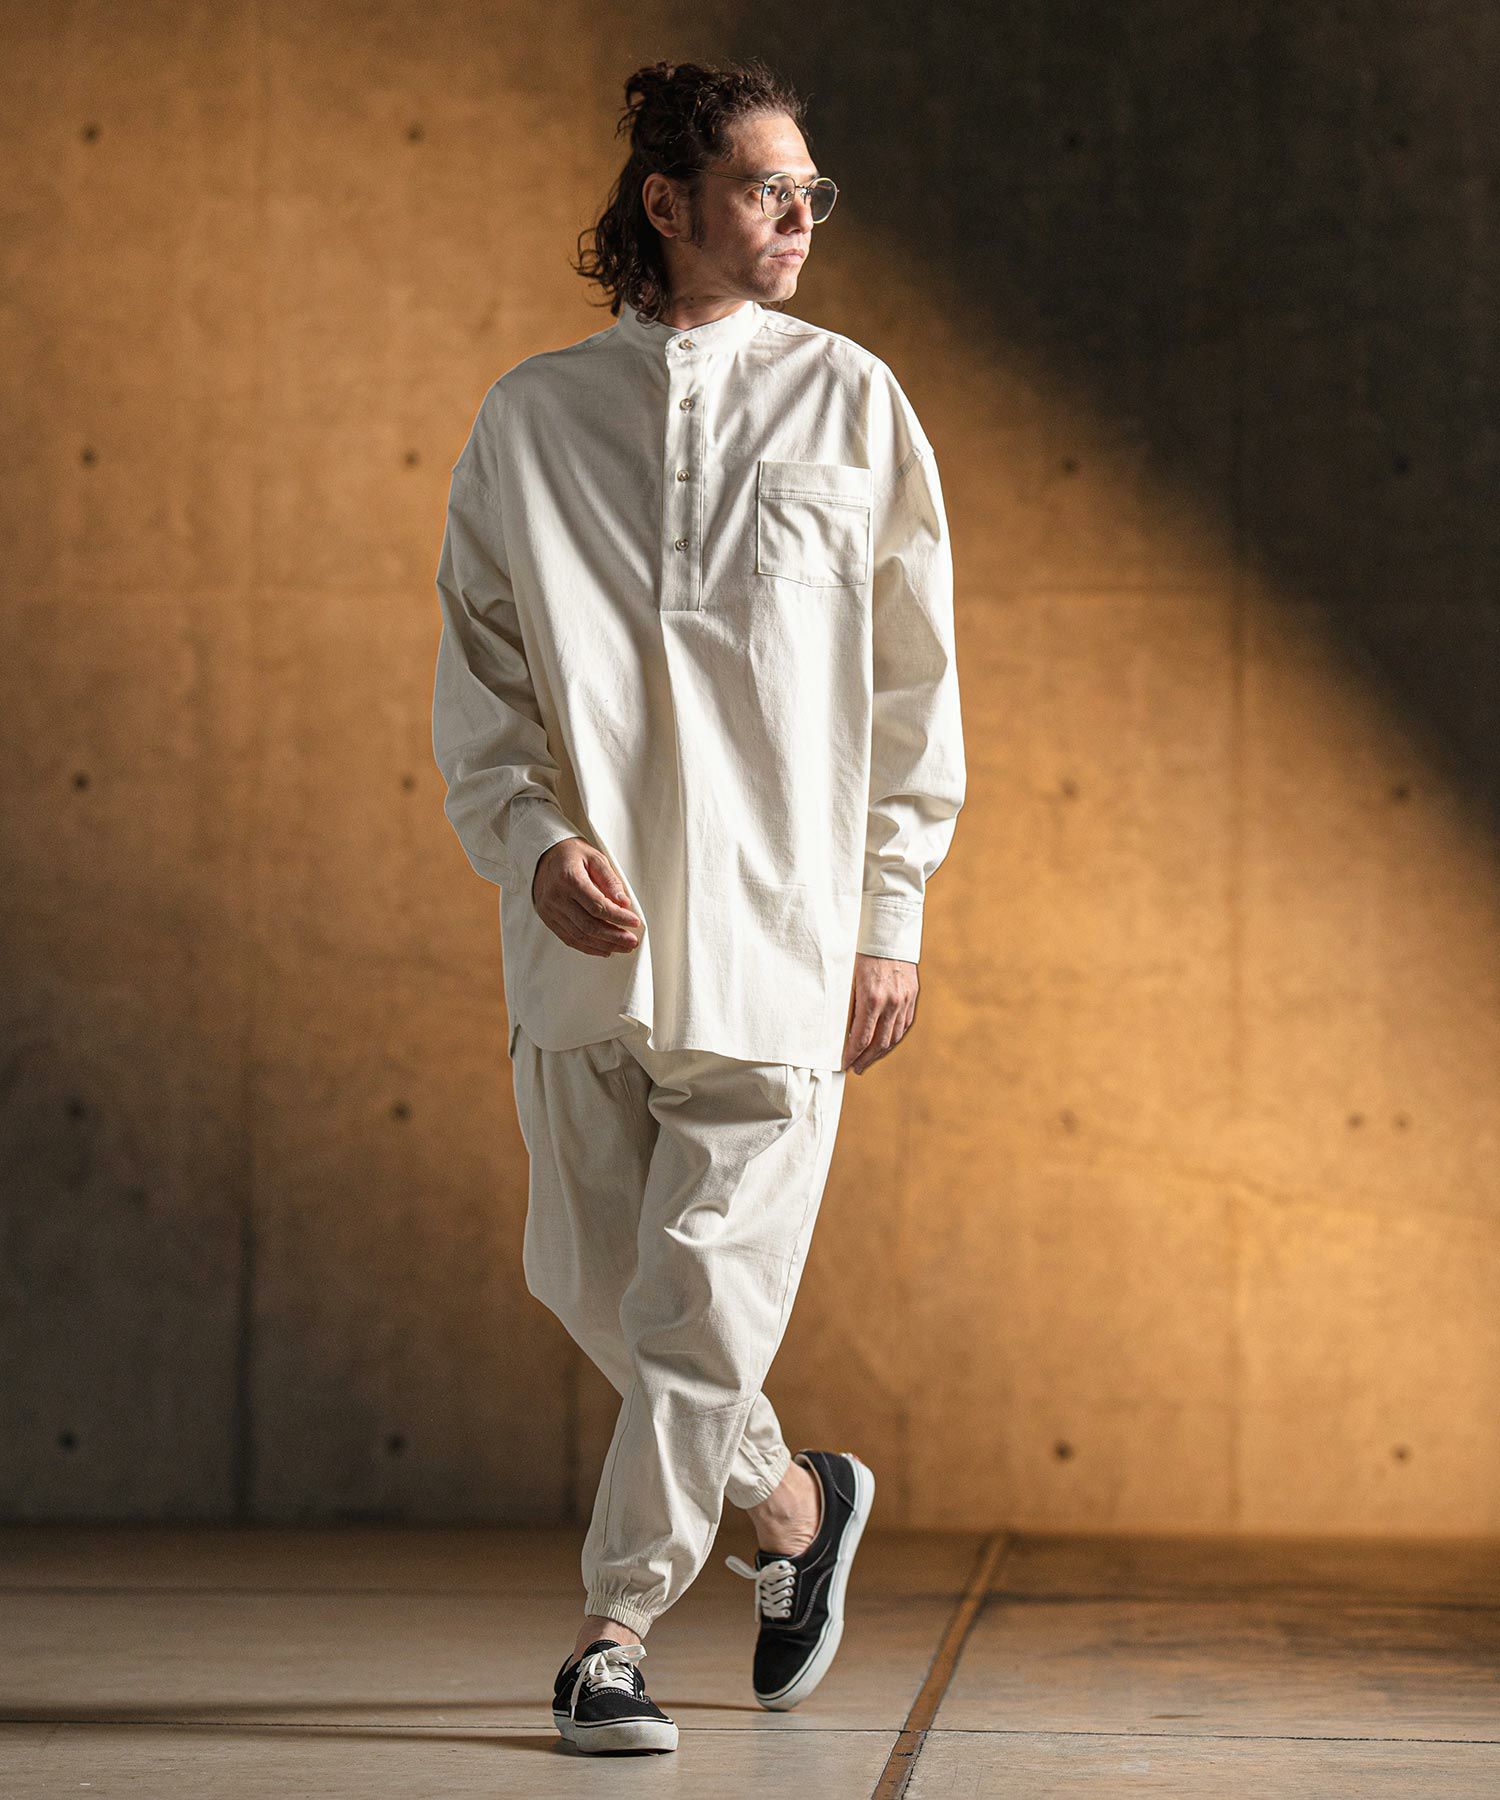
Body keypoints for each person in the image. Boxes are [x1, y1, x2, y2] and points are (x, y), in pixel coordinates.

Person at [431, 56, 965, 1757]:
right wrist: (529, 840)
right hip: (583, 938)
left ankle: (615, 1629)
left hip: (780, 932)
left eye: (813, 191)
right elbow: (482, 678)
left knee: (701, 1305)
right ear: (668, 202)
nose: (801, 217)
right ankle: (796, 1506)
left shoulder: (852, 403)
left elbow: (914, 688)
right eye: (764, 188)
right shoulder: (532, 418)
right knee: (586, 1275)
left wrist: (891, 914)